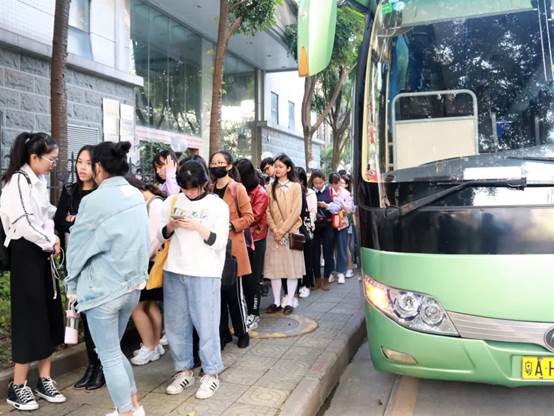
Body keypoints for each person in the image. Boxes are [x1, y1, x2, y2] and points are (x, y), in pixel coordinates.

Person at [66, 141, 149, 416]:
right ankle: (134, 406)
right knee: (114, 351)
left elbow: (76, 248)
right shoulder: (136, 194)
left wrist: (71, 285)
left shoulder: (93, 201)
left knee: (109, 354)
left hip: (103, 290)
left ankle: (126, 412)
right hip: (132, 287)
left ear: (99, 167)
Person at [0, 132, 66, 411]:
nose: (54, 164)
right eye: (51, 159)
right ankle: (17, 386)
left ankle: (45, 379)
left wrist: (59, 225)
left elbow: (45, 212)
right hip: (26, 253)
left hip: (40, 252)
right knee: (29, 317)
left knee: (48, 312)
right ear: (34, 157)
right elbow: (23, 223)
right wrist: (50, 240)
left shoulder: (37, 180)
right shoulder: (18, 181)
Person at [160, 160, 227, 399]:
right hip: (174, 269)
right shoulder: (172, 201)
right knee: (176, 325)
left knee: (207, 324)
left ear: (204, 183)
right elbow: (162, 235)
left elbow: (219, 242)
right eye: (185, 187)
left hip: (205, 272)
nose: (189, 192)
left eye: (194, 187)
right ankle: (183, 370)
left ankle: (211, 373)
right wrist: (172, 225)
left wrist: (197, 226)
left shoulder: (217, 205)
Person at [54, 145, 105, 391]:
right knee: (82, 314)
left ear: (98, 166)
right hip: (74, 263)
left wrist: (75, 221)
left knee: (97, 316)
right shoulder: (70, 190)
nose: (82, 167)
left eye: (88, 163)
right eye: (79, 162)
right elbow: (59, 220)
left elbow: (98, 226)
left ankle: (101, 366)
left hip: (95, 263)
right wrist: (76, 223)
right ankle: (92, 365)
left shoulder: (102, 193)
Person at [209, 151, 254, 349]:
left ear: (228, 166)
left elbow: (249, 216)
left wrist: (230, 225)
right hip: (213, 248)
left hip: (233, 248)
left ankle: (242, 331)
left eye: (220, 162)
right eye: (213, 163)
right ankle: (223, 334)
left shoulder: (237, 188)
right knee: (217, 295)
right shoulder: (209, 189)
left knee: (235, 295)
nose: (216, 166)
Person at [126, 176, 167, 366]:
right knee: (149, 306)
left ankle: (149, 347)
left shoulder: (154, 204)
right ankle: (155, 345)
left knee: (137, 307)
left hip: (148, 262)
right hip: (150, 261)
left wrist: (140, 260)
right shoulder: (152, 202)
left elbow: (155, 238)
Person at [264, 154, 306, 315]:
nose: (277, 169)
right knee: (274, 269)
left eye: (281, 166)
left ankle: (289, 301)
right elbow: (267, 211)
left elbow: (296, 211)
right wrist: (275, 229)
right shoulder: (269, 187)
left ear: (288, 168)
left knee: (291, 269)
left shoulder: (296, 187)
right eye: (275, 166)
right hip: (273, 234)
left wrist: (282, 230)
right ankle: (276, 301)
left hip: (291, 232)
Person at [235, 158, 269, 330]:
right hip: (241, 238)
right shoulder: (238, 189)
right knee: (242, 278)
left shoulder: (260, 193)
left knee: (253, 278)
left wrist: (235, 221)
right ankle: (245, 310)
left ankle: (254, 313)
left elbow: (253, 217)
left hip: (256, 240)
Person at [310, 170, 335, 290]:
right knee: (315, 254)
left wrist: (327, 206)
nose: (318, 185)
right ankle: (317, 279)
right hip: (315, 226)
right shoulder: (310, 192)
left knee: (328, 253)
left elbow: (338, 206)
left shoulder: (330, 191)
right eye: (316, 183)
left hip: (328, 226)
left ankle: (326, 279)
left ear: (324, 181)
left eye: (320, 183)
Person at [328, 173, 353, 284]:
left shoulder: (346, 193)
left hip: (342, 224)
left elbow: (349, 209)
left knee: (342, 248)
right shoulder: (328, 191)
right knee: (329, 248)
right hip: (329, 224)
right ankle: (331, 272)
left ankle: (341, 272)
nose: (335, 185)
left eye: (337, 183)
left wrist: (340, 202)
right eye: (332, 183)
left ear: (339, 182)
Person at [296, 167, 317, 298]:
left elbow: (312, 212)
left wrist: (309, 225)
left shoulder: (309, 193)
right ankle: (298, 285)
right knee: (296, 259)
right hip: (293, 229)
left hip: (306, 228)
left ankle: (307, 284)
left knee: (307, 259)